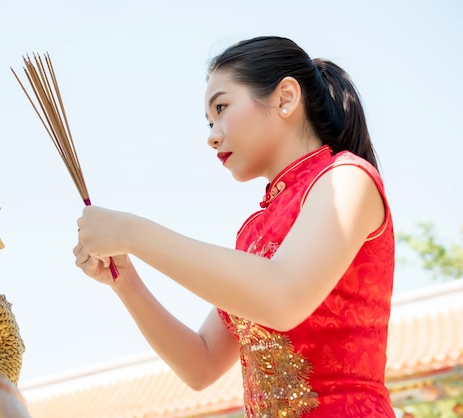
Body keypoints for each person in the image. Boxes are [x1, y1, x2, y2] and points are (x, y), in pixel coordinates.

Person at [73, 36, 395, 417]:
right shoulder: (254, 232)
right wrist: (125, 281)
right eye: (210, 121)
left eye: (222, 107)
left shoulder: (347, 178)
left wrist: (132, 232)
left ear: (286, 98)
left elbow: (283, 297)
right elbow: (202, 363)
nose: (212, 135)